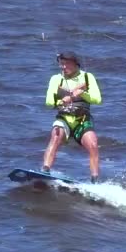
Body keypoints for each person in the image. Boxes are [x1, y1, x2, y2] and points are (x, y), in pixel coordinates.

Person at [41, 51, 102, 183]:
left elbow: (97, 99)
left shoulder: (87, 77)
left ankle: (95, 180)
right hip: (64, 120)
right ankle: (45, 170)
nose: (63, 67)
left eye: (66, 64)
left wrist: (82, 93)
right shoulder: (56, 79)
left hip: (82, 121)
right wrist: (60, 101)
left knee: (93, 143)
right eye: (61, 64)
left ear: (75, 64)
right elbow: (48, 101)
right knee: (56, 136)